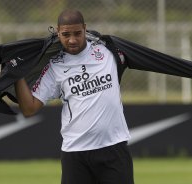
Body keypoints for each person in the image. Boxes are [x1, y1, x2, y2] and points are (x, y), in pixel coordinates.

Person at [15, 9, 134, 184]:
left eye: (78, 33)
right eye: (66, 34)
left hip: (114, 149)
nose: (72, 40)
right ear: (57, 32)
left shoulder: (108, 52)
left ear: (85, 28)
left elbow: (142, 57)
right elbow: (29, 108)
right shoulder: (55, 67)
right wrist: (15, 74)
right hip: (76, 154)